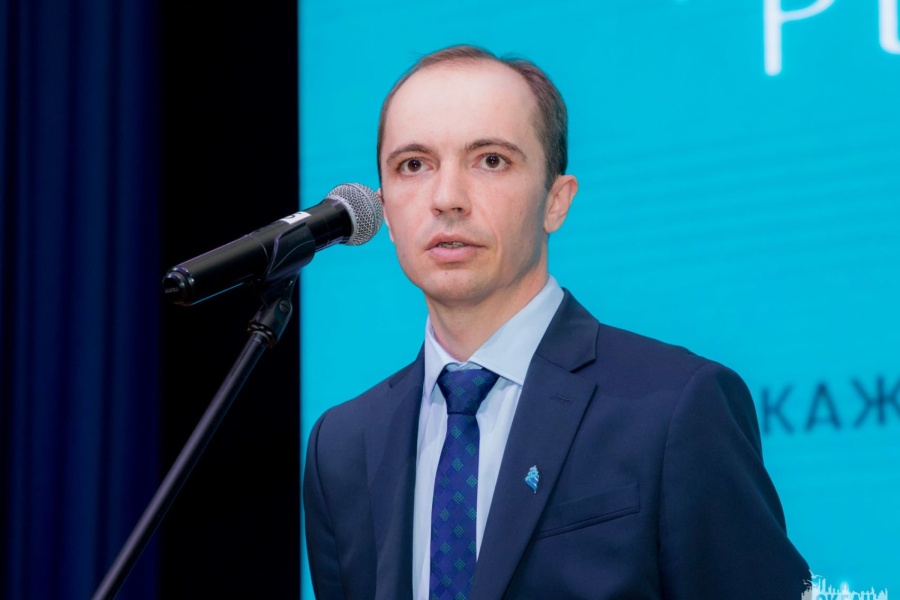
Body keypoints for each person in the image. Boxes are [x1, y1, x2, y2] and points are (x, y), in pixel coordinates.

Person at [303, 44, 809, 600]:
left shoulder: (677, 408)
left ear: (556, 201)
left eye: (490, 160)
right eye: (414, 166)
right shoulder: (343, 446)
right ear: (386, 212)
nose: (446, 199)